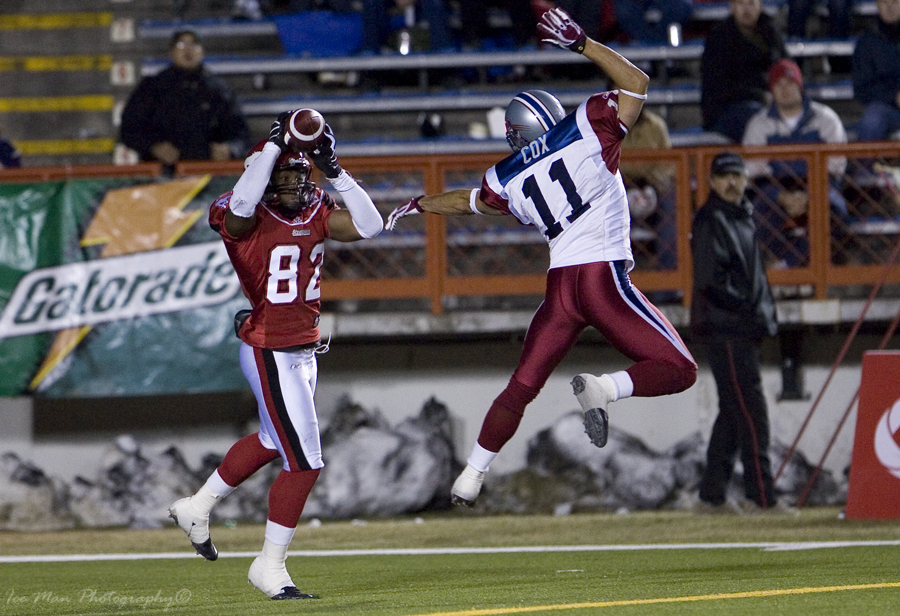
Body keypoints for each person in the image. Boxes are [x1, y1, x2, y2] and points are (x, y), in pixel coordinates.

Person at [386, 7, 698, 507]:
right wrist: (582, 44)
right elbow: (637, 83)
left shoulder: (505, 176)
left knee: (522, 385)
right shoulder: (588, 124)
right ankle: (605, 388)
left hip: (561, 290)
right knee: (680, 369)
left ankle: (472, 473)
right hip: (602, 277)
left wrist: (423, 203)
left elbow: (469, 201)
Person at [167, 112, 384, 600]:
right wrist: (271, 150)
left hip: (302, 348)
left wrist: (335, 169)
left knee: (271, 439)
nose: (290, 187)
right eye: (280, 176)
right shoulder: (242, 212)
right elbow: (243, 203)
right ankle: (270, 567)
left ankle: (197, 506)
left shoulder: (316, 209)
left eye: (297, 176)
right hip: (271, 348)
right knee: (305, 462)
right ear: (264, 176)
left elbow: (370, 225)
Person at [690, 151, 782, 513]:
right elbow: (711, 281)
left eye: (737, 176)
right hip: (727, 327)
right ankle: (763, 497)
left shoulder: (741, 215)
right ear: (712, 182)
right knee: (751, 413)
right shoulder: (712, 219)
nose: (732, 183)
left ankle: (711, 496)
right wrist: (748, 307)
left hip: (738, 326)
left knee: (733, 412)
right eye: (724, 176)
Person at [742, 58, 848, 268]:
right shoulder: (759, 124)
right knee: (756, 218)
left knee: (835, 213)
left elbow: (836, 165)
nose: (784, 90)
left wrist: (808, 195)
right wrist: (783, 197)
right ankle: (798, 263)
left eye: (789, 83)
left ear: (799, 85)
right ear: (771, 90)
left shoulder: (825, 118)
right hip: (775, 189)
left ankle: (788, 266)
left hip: (820, 186)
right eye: (778, 85)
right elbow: (753, 170)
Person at [120, 29, 249, 170]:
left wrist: (229, 149)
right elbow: (129, 129)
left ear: (202, 52)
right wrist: (154, 146)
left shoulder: (219, 90)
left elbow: (240, 133)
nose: (188, 50)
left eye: (194, 45)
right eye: (181, 45)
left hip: (209, 175)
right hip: (163, 174)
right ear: (171, 52)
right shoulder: (152, 87)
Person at [701, 0, 787, 144]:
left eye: (751, 3)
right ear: (732, 7)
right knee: (760, 120)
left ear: (760, 7)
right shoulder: (719, 37)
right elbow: (718, 87)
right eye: (741, 3)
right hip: (727, 109)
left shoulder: (770, 32)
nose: (746, 9)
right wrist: (760, 95)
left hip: (771, 101)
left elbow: (786, 67)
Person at [621, 108, 677, 271]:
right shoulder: (600, 126)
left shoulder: (656, 126)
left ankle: (668, 288)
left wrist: (651, 184)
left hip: (652, 188)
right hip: (616, 190)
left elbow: (668, 166)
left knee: (672, 206)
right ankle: (606, 283)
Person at [852, 0, 900, 143]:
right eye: (884, 2)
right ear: (877, 5)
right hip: (888, 111)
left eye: (895, 2)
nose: (889, 7)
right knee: (873, 118)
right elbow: (861, 89)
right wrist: (895, 97)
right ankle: (864, 165)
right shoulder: (867, 42)